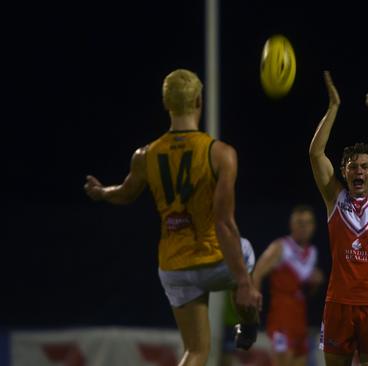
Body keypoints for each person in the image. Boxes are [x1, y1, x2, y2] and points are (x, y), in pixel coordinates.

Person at [84, 69, 262, 366]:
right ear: (198, 101)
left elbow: (126, 193)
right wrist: (244, 282)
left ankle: (242, 321)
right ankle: (247, 325)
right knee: (246, 250)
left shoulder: (146, 154)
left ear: (167, 104)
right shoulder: (220, 154)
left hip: (174, 266)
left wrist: (102, 192)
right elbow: (224, 222)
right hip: (213, 260)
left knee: (196, 350)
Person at [309, 70, 368, 366]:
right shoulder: (334, 198)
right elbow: (315, 153)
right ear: (344, 172)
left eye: (364, 166)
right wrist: (333, 108)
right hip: (338, 303)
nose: (358, 171)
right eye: (352, 166)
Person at [252, 205, 324, 366]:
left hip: (300, 316)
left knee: (300, 361)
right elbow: (257, 273)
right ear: (292, 225)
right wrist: (254, 309)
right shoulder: (281, 247)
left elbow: (307, 293)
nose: (304, 227)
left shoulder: (312, 252)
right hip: (281, 314)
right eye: (299, 223)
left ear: (313, 227)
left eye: (308, 223)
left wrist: (315, 283)